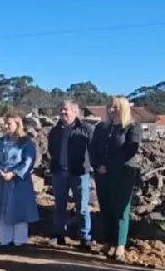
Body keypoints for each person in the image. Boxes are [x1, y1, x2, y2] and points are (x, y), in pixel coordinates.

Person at [90, 96, 142, 260]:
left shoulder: (132, 127)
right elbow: (92, 148)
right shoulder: (101, 127)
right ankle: (108, 241)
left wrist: (110, 166)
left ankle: (119, 244)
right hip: (102, 173)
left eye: (115, 107)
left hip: (123, 172)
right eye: (109, 107)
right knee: (106, 206)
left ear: (124, 108)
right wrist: (97, 165)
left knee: (120, 208)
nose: (111, 110)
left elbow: (129, 150)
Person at [0, 112, 39, 247]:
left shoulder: (26, 142)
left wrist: (14, 173)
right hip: (1, 181)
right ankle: (4, 239)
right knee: (2, 208)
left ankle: (19, 240)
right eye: (5, 123)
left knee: (18, 208)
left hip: (18, 182)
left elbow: (28, 161)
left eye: (9, 123)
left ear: (17, 125)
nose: (5, 126)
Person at [47, 99, 94, 249]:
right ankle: (59, 234)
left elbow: (93, 150)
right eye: (61, 109)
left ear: (75, 112)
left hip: (79, 173)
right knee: (59, 205)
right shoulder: (55, 131)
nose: (62, 112)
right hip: (59, 172)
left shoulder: (86, 129)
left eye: (66, 109)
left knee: (82, 206)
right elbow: (51, 150)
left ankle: (85, 237)